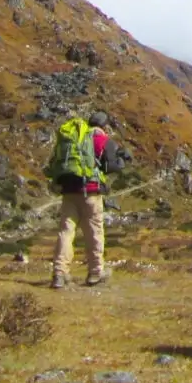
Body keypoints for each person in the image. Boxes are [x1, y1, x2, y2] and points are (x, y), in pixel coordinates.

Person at [49, 111, 123, 289]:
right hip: (91, 192)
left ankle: (59, 273)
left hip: (69, 191)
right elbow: (110, 166)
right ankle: (96, 273)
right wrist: (122, 160)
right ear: (104, 126)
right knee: (94, 232)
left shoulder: (74, 138)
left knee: (66, 231)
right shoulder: (100, 139)